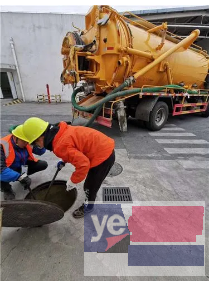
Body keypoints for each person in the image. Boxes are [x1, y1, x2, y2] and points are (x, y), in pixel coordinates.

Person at [21, 117, 115, 218]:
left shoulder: (60, 146)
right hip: (100, 147)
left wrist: (73, 181)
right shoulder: (61, 131)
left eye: (36, 144)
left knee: (90, 186)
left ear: (40, 138)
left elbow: (83, 164)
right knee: (90, 182)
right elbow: (73, 146)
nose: (39, 147)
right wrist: (64, 160)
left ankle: (89, 206)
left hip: (103, 156)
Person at [0, 125, 48, 200]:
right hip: (7, 169)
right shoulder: (2, 145)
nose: (26, 143)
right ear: (15, 138)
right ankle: (6, 189)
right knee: (2, 176)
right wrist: (19, 177)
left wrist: (39, 143)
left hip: (21, 165)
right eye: (23, 141)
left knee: (43, 164)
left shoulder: (26, 142)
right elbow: (1, 170)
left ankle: (22, 177)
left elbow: (40, 152)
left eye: (27, 141)